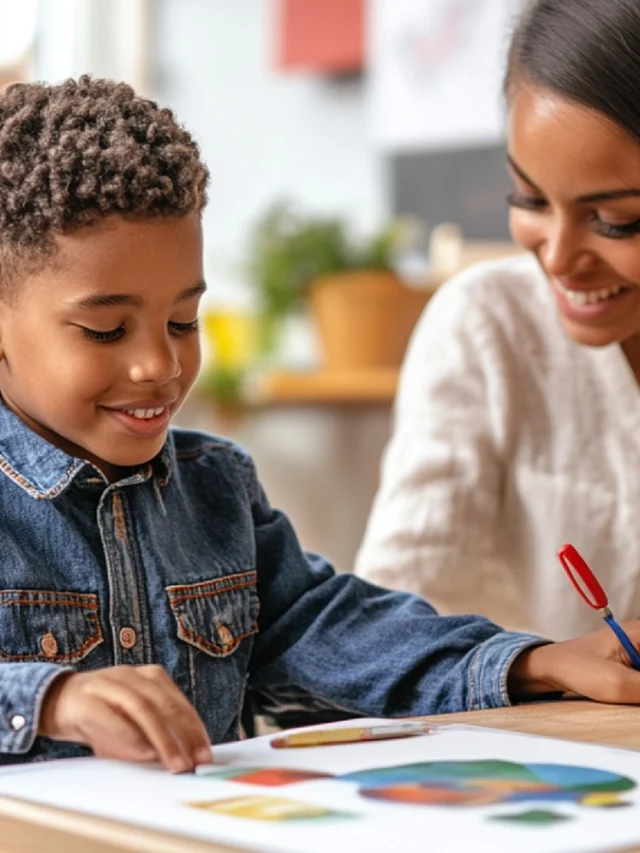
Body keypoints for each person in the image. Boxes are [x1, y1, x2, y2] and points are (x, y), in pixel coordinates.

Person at [0, 76, 638, 775]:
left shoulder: (216, 490)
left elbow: (337, 631)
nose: (159, 363)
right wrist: (52, 697)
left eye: (183, 320)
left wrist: (533, 662)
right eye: (105, 329)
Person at [356, 0, 640, 641]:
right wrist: (535, 669)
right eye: (530, 199)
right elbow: (389, 637)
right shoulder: (486, 329)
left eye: (617, 219)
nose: (560, 257)